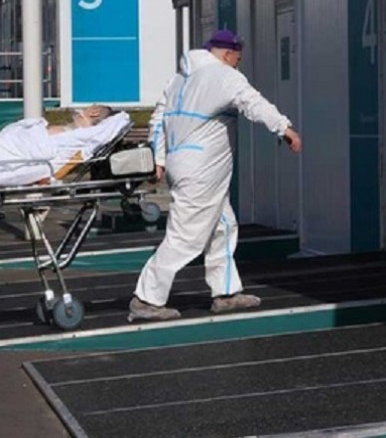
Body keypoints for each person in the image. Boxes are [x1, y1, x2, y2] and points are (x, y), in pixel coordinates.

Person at [129, 29, 302, 322]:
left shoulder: (179, 79)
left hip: (183, 164)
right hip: (202, 170)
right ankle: (146, 298)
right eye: (238, 59)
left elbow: (159, 117)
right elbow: (253, 103)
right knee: (186, 237)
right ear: (226, 54)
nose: (238, 65)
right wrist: (284, 128)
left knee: (223, 226)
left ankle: (225, 293)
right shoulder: (224, 76)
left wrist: (158, 157)